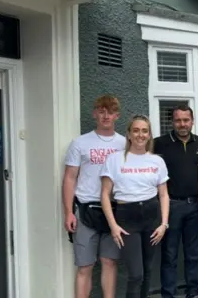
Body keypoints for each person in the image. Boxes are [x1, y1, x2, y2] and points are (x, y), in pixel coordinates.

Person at [62, 95, 126, 298]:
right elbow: (70, 178)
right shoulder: (80, 143)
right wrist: (68, 213)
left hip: (114, 211)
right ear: (94, 113)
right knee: (85, 266)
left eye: (110, 111)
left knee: (110, 262)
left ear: (117, 115)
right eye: (101, 110)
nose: (105, 115)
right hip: (85, 209)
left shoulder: (124, 144)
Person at [100, 115, 170, 298]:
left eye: (144, 131)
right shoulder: (114, 160)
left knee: (147, 271)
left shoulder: (157, 161)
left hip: (151, 216)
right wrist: (113, 226)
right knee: (136, 274)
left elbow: (163, 194)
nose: (140, 134)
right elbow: (105, 195)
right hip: (126, 217)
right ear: (129, 134)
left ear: (149, 135)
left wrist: (164, 224)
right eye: (136, 130)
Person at [155, 105, 198, 298]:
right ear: (172, 122)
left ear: (192, 121)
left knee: (193, 254)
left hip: (195, 206)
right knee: (169, 255)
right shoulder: (159, 144)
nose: (182, 124)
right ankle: (168, 294)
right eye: (178, 120)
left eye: (186, 120)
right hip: (171, 206)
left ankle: (193, 293)